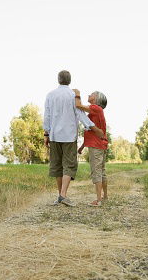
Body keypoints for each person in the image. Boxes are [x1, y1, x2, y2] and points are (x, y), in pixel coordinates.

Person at [43, 70, 104, 207]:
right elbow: (80, 114)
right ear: (69, 81)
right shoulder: (73, 95)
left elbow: (47, 115)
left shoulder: (50, 95)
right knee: (69, 166)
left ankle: (60, 195)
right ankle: (63, 195)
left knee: (58, 166)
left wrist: (46, 134)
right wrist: (93, 128)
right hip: (69, 136)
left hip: (54, 136)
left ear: (58, 80)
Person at [73, 89, 108, 207]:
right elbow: (91, 130)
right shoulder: (96, 112)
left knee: (96, 171)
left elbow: (78, 105)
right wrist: (82, 146)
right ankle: (105, 197)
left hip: (96, 146)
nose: (89, 94)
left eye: (92, 94)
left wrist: (76, 94)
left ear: (96, 99)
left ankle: (98, 200)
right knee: (101, 171)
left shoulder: (96, 108)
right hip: (100, 145)